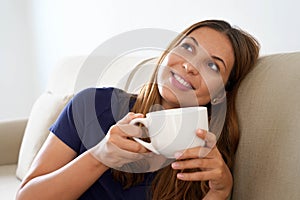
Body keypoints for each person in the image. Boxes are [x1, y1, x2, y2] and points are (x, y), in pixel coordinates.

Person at [16, 19, 260, 200]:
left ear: (221, 94)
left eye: (212, 65)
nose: (189, 65)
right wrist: (100, 156)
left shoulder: (206, 159)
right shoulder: (92, 105)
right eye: (187, 48)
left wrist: (220, 191)